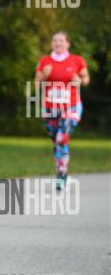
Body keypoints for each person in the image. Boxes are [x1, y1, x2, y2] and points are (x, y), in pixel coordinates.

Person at [34, 31, 90, 190]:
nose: (57, 43)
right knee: (56, 141)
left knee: (62, 138)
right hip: (50, 107)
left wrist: (79, 80)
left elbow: (86, 79)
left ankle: (61, 175)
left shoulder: (76, 60)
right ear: (51, 44)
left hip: (71, 105)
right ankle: (61, 171)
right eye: (55, 41)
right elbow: (37, 83)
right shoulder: (45, 61)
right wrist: (44, 77)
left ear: (68, 44)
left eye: (61, 41)